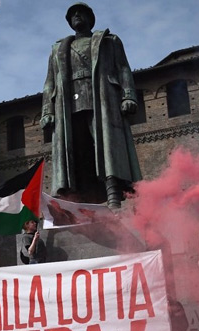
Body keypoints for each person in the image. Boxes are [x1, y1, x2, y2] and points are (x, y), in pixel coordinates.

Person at [41, 2, 142, 209]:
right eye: (72, 15)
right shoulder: (58, 49)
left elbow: (123, 69)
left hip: (102, 99)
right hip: (68, 107)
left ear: (90, 18)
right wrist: (47, 110)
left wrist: (128, 95)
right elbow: (49, 83)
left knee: (107, 150)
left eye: (81, 13)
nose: (76, 16)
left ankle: (113, 198)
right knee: (77, 153)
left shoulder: (108, 41)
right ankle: (78, 202)